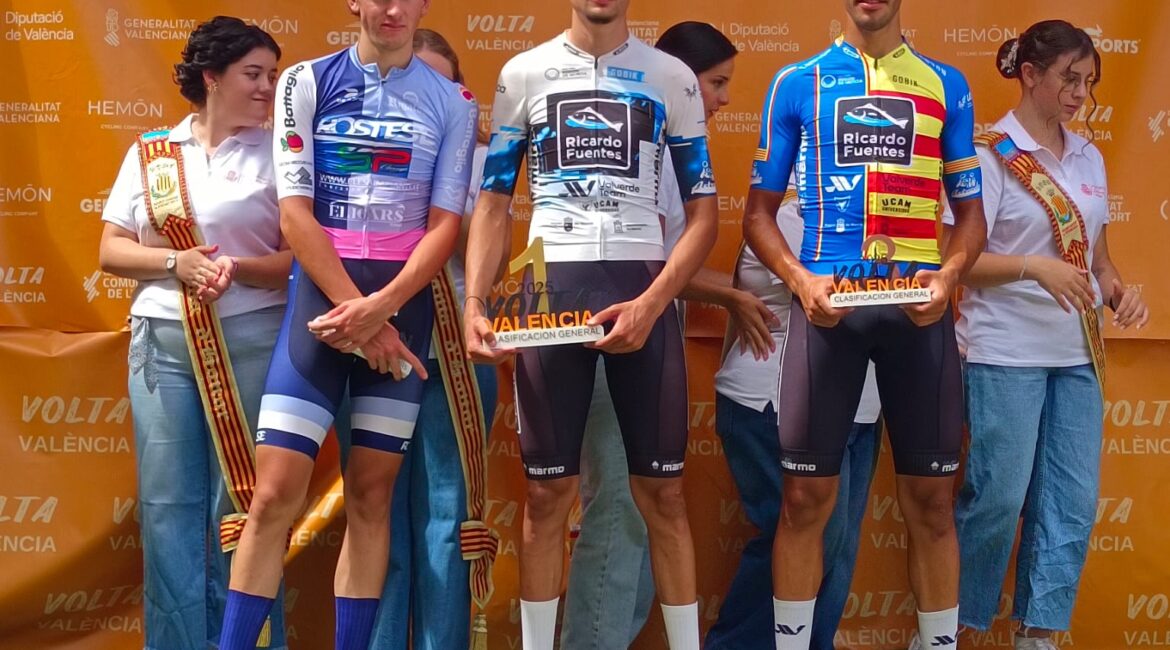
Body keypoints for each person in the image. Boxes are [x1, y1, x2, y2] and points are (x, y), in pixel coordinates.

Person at [218, 0, 477, 647]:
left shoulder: (454, 102)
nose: (393, 9)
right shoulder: (305, 81)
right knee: (273, 496)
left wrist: (381, 308)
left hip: (398, 306)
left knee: (370, 496)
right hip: (323, 308)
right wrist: (360, 314)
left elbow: (445, 225)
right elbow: (294, 214)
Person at [462, 0, 719, 647]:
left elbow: (704, 213)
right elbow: (493, 202)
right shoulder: (524, 73)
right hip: (553, 290)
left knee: (663, 495)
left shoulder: (670, 77)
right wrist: (474, 302)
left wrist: (652, 303)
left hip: (641, 285)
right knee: (547, 496)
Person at [743, 0, 988, 648]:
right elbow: (758, 214)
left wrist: (948, 276)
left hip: (918, 310)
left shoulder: (946, 84)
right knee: (803, 501)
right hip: (829, 310)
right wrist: (801, 281)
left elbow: (970, 217)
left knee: (933, 503)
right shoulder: (797, 82)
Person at [951, 20, 1148, 650]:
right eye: (1069, 79)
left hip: (1077, 355)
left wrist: (1118, 292)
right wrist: (1034, 267)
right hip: (1005, 351)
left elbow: (1099, 260)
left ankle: (1039, 634)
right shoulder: (988, 155)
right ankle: (956, 628)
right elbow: (958, 264)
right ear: (1030, 74)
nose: (1080, 94)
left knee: (1072, 502)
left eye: (1088, 82)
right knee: (997, 498)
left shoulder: (1089, 156)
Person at [97, 16, 290, 650]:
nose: (266, 88)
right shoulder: (153, 151)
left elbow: (299, 259)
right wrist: (174, 262)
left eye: (272, 75)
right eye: (253, 74)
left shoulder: (281, 150)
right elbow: (111, 250)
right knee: (167, 508)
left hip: (253, 339)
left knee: (246, 503)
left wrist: (237, 269)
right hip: (163, 343)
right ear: (211, 77)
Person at [560, 21, 741, 649]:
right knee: (619, 507)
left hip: (646, 338)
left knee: (641, 508)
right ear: (680, 78)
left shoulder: (673, 143)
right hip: (616, 338)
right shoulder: (649, 145)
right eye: (716, 83)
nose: (723, 99)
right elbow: (660, 264)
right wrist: (735, 293)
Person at [706, 177, 882, 650]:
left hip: (860, 406)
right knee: (806, 540)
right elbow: (843, 291)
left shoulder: (881, 206)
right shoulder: (787, 210)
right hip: (772, 401)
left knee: (838, 550)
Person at [369, 28, 499, 650]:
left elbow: (486, 247)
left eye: (443, 84)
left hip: (455, 345)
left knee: (449, 517)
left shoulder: (483, 155)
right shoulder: (362, 142)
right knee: (376, 511)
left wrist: (441, 195)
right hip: (377, 343)